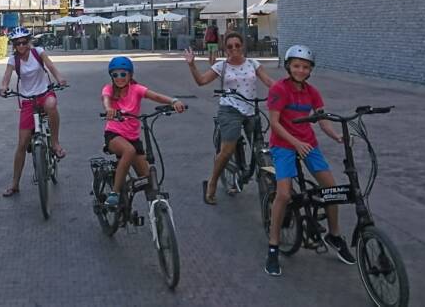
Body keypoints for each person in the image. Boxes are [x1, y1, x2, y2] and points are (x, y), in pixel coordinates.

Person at [264, 45, 355, 277]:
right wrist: (295, 143)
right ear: (288, 67)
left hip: (308, 144)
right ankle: (273, 246)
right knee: (284, 194)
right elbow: (274, 123)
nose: (301, 70)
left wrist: (336, 135)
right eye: (296, 66)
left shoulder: (312, 92)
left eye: (305, 67)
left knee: (332, 189)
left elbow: (322, 119)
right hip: (284, 145)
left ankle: (334, 235)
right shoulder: (278, 89)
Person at [185, 32, 275, 204]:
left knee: (260, 147)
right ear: (225, 49)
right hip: (230, 109)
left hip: (251, 108)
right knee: (227, 150)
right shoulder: (221, 66)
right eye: (230, 46)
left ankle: (261, 177)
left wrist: (286, 91)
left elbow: (269, 82)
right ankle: (212, 182)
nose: (234, 49)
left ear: (242, 46)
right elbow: (201, 81)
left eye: (237, 45)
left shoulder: (253, 64)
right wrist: (192, 65)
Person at [101, 56, 185, 206]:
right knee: (129, 151)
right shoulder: (108, 89)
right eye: (115, 75)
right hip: (114, 135)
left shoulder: (136, 89)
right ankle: (115, 192)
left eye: (123, 74)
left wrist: (173, 101)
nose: (119, 78)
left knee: (147, 180)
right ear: (111, 76)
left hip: (133, 138)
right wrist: (109, 110)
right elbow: (106, 100)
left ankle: (157, 216)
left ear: (130, 75)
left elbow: (156, 96)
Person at [0, 26, 69, 197]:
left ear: (29, 41)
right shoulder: (13, 60)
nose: (21, 46)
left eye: (24, 42)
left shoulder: (38, 52)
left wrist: (60, 78)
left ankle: (55, 143)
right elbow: (6, 78)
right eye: (17, 43)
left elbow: (51, 67)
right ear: (14, 45)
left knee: (51, 105)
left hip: (45, 93)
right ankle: (15, 184)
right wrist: (3, 87)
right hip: (27, 99)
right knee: (22, 144)